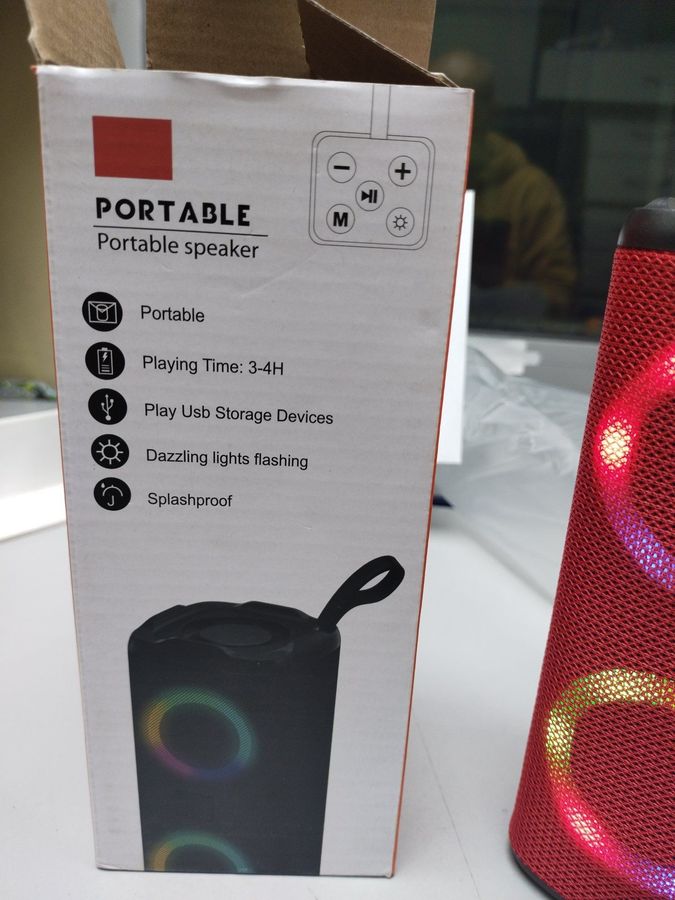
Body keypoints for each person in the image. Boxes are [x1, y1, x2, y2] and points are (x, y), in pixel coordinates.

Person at [434, 50, 576, 320]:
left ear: (490, 110)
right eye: (440, 103)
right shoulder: (408, 176)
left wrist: (483, 301)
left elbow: (556, 292)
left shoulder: (529, 190)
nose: (452, 116)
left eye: (465, 103)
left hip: (497, 330)